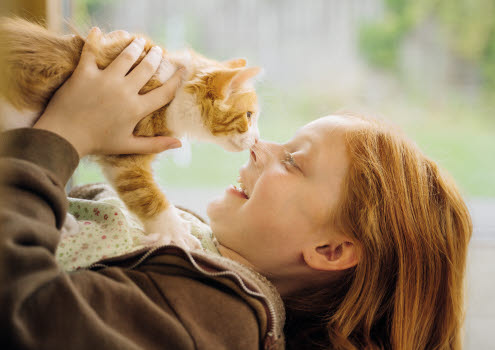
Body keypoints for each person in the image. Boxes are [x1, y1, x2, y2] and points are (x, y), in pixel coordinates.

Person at [0, 27, 472, 350]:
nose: (257, 148)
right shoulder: (204, 258)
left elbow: (23, 315)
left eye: (293, 161)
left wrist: (61, 137)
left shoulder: (222, 312)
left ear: (329, 249)